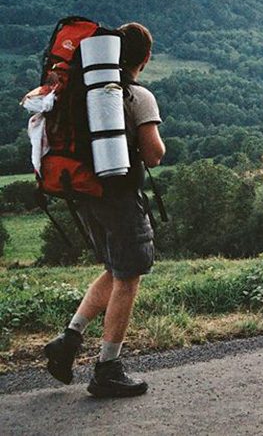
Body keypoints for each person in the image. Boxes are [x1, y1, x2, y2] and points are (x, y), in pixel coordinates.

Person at [43, 22, 165, 398]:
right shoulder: (136, 96)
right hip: (119, 196)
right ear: (143, 58)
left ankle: (68, 340)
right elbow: (155, 155)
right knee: (129, 276)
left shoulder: (87, 92)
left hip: (85, 192)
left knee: (114, 268)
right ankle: (107, 368)